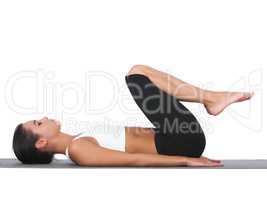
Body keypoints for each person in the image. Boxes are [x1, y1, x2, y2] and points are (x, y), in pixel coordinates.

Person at [12, 65, 254, 167]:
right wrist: (186, 160)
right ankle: (212, 99)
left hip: (176, 137)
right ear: (41, 142)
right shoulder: (78, 150)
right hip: (180, 142)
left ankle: (212, 98)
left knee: (138, 73)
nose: (42, 117)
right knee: (137, 74)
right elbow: (135, 160)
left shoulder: (77, 140)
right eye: (37, 123)